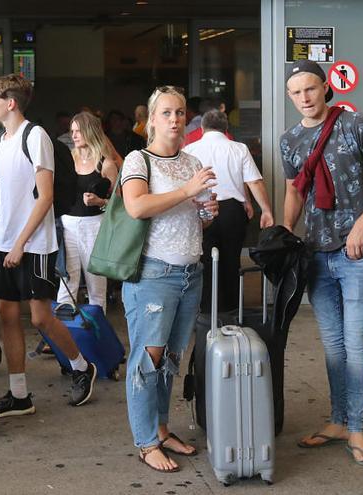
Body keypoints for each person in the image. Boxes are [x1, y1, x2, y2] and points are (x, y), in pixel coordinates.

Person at [281, 60, 363, 465]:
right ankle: (337, 420)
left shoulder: (355, 125)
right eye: (296, 92)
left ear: (325, 87)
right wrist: (285, 233)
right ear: (289, 96)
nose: (304, 98)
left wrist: (361, 227)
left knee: (356, 344)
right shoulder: (290, 140)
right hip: (316, 253)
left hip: (356, 253)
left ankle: (358, 427)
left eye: (310, 89)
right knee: (333, 347)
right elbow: (295, 194)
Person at [0, 74, 97, 418]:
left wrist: (20, 243)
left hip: (34, 243)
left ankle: (81, 367)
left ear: (11, 102)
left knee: (41, 318)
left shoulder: (36, 137)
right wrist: (4, 240)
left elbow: (45, 197)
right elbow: (4, 194)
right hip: (5, 239)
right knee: (6, 314)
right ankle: (19, 394)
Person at [121, 86, 218, 473]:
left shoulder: (192, 161)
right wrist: (187, 191)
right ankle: (145, 442)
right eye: (166, 113)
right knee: (148, 359)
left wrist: (206, 210)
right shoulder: (137, 160)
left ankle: (161, 429)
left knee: (171, 360)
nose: (175, 119)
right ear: (151, 120)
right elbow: (136, 206)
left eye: (180, 112)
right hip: (153, 274)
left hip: (190, 272)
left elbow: (197, 215)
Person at [184, 109, 274, 312]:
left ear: (202, 127)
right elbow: (254, 181)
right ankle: (232, 311)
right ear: (226, 129)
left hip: (202, 209)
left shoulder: (190, 150)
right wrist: (265, 210)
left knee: (205, 262)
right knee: (231, 261)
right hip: (233, 210)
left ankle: (208, 312)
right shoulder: (238, 148)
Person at [57, 111, 118, 312]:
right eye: (72, 131)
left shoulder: (105, 163)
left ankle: (97, 335)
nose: (74, 135)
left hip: (95, 224)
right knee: (67, 280)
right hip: (67, 224)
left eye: (79, 131)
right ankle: (64, 334)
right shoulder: (68, 160)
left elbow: (120, 203)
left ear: (90, 132)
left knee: (96, 283)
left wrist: (100, 200)